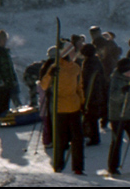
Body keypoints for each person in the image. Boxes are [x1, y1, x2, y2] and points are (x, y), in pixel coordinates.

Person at [40, 42, 85, 175]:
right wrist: (50, 74)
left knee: (78, 139)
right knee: (60, 139)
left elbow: (79, 87)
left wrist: (83, 103)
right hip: (59, 108)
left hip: (74, 107)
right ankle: (58, 166)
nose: (74, 54)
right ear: (67, 53)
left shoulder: (76, 67)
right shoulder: (55, 67)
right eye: (72, 52)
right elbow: (44, 85)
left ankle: (78, 168)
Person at [0, 30, 18, 127]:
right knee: (0, 101)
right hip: (1, 84)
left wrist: (13, 79)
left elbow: (10, 68)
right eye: (4, 39)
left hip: (8, 82)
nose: (5, 41)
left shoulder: (5, 53)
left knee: (6, 101)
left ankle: (5, 119)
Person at [80, 43, 107, 145]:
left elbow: (87, 81)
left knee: (90, 116)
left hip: (91, 93)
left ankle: (93, 137)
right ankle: (93, 136)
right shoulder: (97, 61)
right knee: (93, 116)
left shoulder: (88, 64)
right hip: (98, 92)